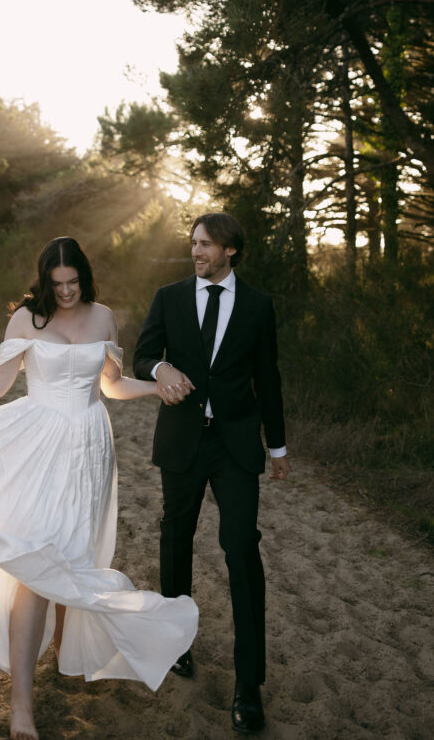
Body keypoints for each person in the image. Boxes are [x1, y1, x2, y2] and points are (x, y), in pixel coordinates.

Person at [0, 236, 198, 740]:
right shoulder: (26, 320)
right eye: (55, 284)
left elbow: (111, 385)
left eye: (72, 282)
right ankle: (21, 706)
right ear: (44, 281)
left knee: (71, 551)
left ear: (84, 277)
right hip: (38, 441)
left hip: (89, 446)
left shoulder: (104, 318)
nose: (64, 292)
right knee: (38, 561)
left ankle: (65, 648)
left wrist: (155, 387)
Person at [133, 213, 290, 735]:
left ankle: (249, 685)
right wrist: (162, 370)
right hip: (182, 441)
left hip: (236, 446)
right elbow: (140, 356)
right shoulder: (170, 296)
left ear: (231, 251)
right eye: (193, 243)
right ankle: (177, 645)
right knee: (175, 538)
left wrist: (280, 445)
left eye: (205, 245)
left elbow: (268, 377)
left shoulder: (259, 306)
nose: (196, 251)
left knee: (241, 547)